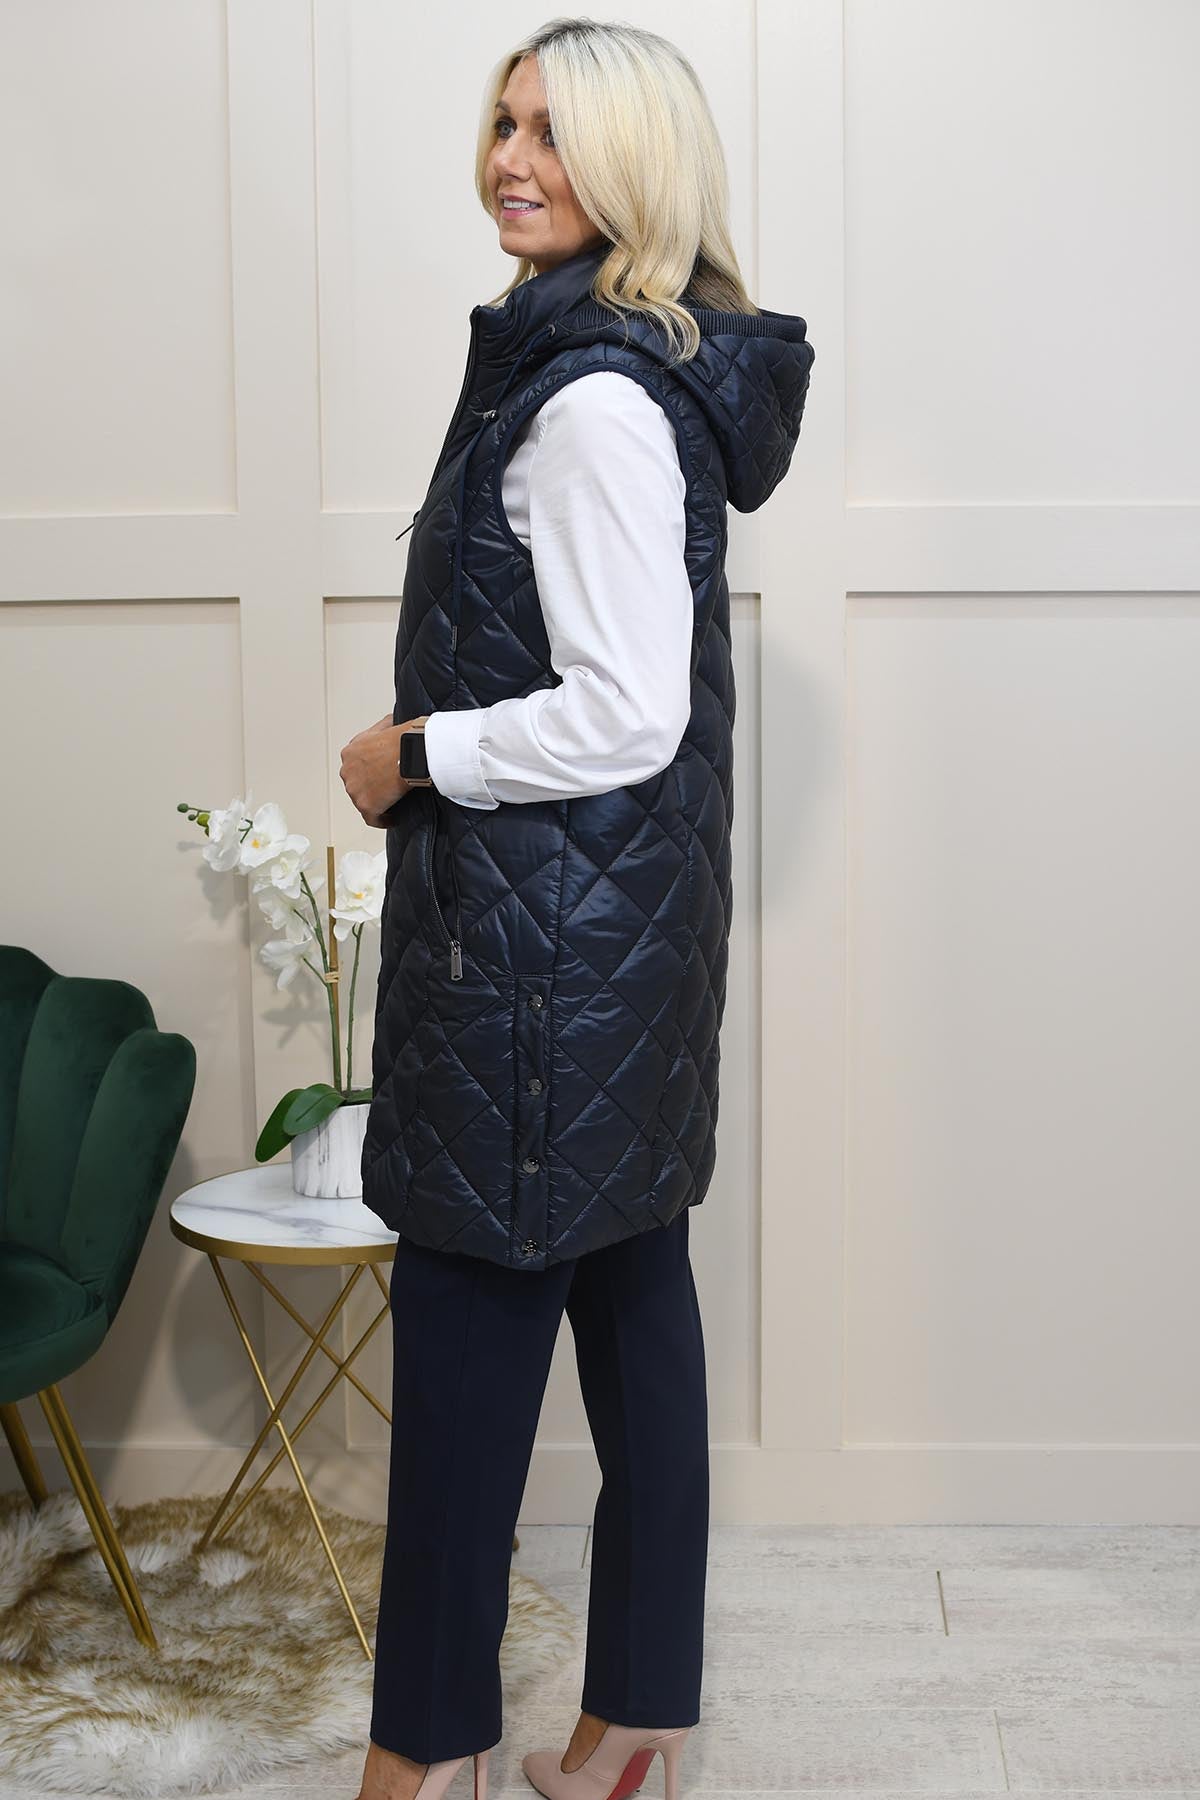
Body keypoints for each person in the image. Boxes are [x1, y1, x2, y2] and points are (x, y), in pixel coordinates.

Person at [338, 19, 814, 1800]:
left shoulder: (595, 397)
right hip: (614, 958)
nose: (511, 158)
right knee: (635, 1315)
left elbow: (627, 711)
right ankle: (638, 1725)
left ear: (637, 166)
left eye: (554, 132)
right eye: (503, 121)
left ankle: (423, 1758)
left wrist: (416, 752)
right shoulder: (609, 362)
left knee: (466, 1375)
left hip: (535, 967)